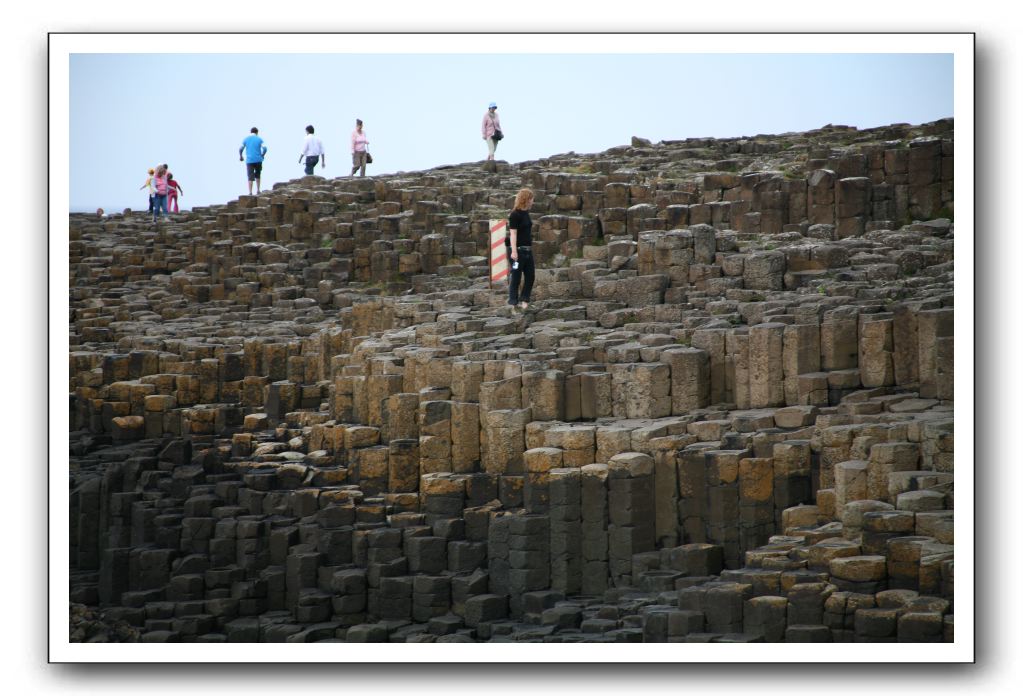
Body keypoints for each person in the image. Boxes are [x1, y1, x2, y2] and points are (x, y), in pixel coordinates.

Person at [507, 187, 535, 310]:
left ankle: (525, 300)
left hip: (528, 250)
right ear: (526, 199)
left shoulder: (526, 213)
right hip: (517, 250)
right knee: (516, 276)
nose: (533, 201)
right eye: (532, 199)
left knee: (530, 276)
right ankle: (513, 302)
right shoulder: (514, 214)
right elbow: (513, 234)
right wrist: (514, 251)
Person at [239, 126, 268, 194]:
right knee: (258, 175)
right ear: (257, 132)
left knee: (250, 177)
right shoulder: (259, 139)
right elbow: (265, 148)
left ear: (251, 132)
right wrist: (262, 155)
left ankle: (250, 192)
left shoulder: (246, 139)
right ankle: (258, 190)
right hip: (258, 160)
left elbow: (241, 149)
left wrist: (241, 156)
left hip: (249, 160)